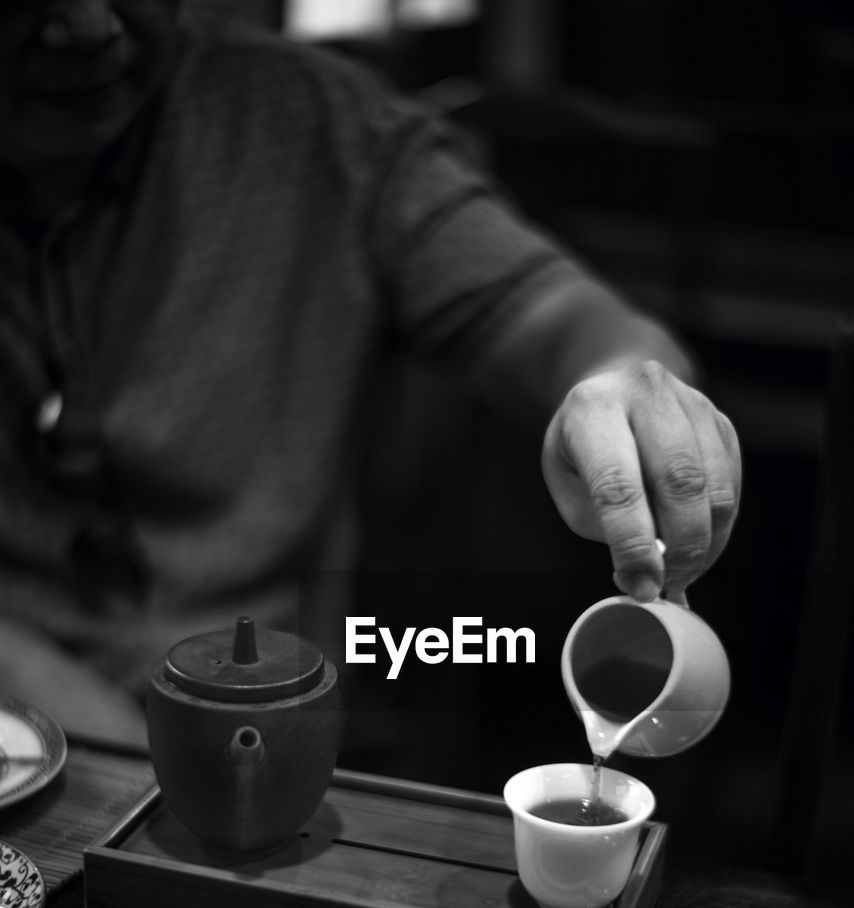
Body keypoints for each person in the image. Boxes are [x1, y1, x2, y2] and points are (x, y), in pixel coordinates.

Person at [0, 0, 740, 750]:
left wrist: (620, 389)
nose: (90, 26)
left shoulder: (317, 124)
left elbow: (568, 326)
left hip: (259, 738)